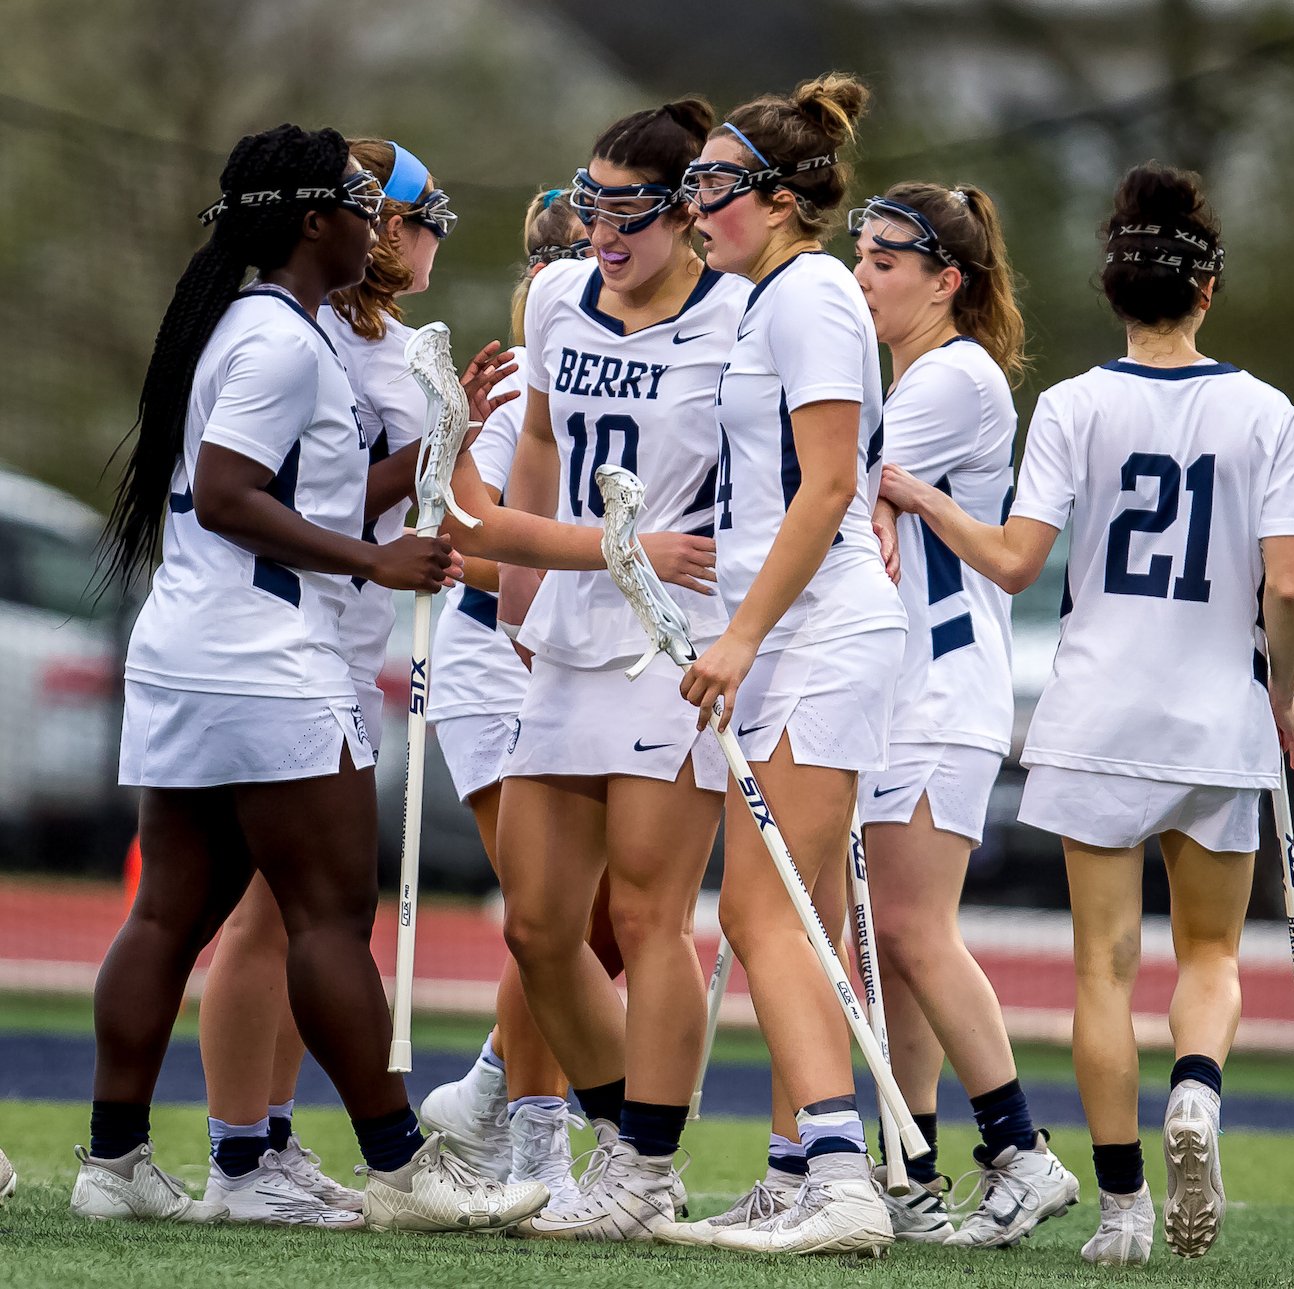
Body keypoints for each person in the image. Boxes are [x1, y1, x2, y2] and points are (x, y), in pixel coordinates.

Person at [78, 122, 548, 1232]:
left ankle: (118, 1159)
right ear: (310, 221)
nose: (374, 220)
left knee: (171, 910)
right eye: (355, 200)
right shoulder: (284, 341)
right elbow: (236, 494)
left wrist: (439, 439)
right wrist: (373, 559)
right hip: (266, 660)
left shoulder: (264, 328)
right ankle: (403, 1166)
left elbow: (298, 487)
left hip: (202, 651)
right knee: (330, 914)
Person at [880, 161, 1294, 1265]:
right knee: (1209, 950)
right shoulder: (1264, 409)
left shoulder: (1071, 404)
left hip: (1094, 718)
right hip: (1217, 719)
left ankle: (1121, 1208)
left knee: (1101, 968)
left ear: (1117, 293)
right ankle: (1200, 1095)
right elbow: (1290, 586)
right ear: (1207, 292)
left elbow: (1019, 563)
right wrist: (1283, 690)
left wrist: (924, 495)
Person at [445, 99, 745, 1242]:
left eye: (628, 210)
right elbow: (537, 441)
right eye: (592, 203)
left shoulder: (741, 322)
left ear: (685, 213)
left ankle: (645, 1166)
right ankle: (631, 1144)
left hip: (674, 642)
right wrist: (519, 596)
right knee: (535, 925)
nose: (603, 231)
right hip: (567, 636)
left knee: (648, 914)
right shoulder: (559, 298)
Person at [188, 136, 483, 1227]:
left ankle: (254, 1143)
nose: (423, 232)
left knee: (257, 912)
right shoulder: (306, 339)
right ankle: (246, 1152)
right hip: (292, 644)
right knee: (274, 914)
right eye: (414, 211)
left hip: (335, 644)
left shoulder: (375, 340)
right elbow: (327, 502)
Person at [658, 73, 908, 1257]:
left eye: (713, 182)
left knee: (766, 916)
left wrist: (743, 634)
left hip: (821, 635)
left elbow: (829, 484)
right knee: (789, 916)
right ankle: (797, 1170)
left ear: (778, 196)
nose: (694, 201)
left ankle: (844, 1179)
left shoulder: (808, 296)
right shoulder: (765, 299)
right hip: (792, 630)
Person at [848, 182, 1079, 1246]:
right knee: (889, 944)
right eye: (860, 254)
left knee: (909, 927)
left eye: (887, 260)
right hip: (900, 684)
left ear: (948, 280)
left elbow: (828, 472)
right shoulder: (914, 372)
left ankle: (1022, 1151)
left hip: (941, 685)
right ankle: (911, 1165)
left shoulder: (955, 376)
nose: (863, 274)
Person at [420, 188, 622, 1199]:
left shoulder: (626, 376)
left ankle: (490, 1091)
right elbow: (476, 544)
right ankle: (536, 1146)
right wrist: (608, 566)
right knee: (554, 915)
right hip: (492, 669)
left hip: (576, 668)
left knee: (609, 925)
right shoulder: (518, 393)